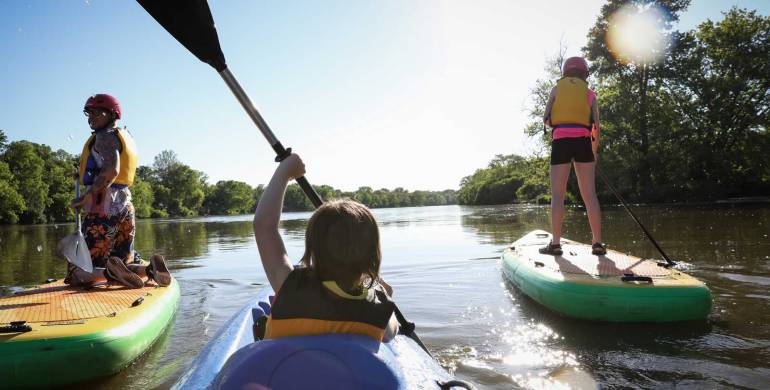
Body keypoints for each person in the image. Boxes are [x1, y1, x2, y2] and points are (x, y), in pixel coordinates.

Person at [253, 154, 399, 342]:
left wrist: (284, 172)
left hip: (283, 369)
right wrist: (385, 295)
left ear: (313, 249)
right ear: (372, 255)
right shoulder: (378, 309)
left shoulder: (291, 286)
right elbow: (390, 332)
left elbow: (264, 226)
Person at [65, 93, 171, 288]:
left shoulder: (104, 137)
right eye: (89, 113)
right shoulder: (121, 136)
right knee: (124, 261)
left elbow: (112, 170)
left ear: (112, 114)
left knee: (76, 273)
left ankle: (108, 273)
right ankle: (149, 270)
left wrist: (86, 197)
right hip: (124, 205)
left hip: (102, 207)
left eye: (98, 112)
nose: (91, 117)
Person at [540, 57, 606, 256]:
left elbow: (546, 118)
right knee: (590, 195)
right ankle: (597, 244)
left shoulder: (556, 89)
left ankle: (556, 244)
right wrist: (593, 151)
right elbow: (596, 125)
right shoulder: (590, 94)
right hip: (583, 142)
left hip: (561, 141)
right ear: (585, 73)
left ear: (565, 72)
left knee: (558, 195)